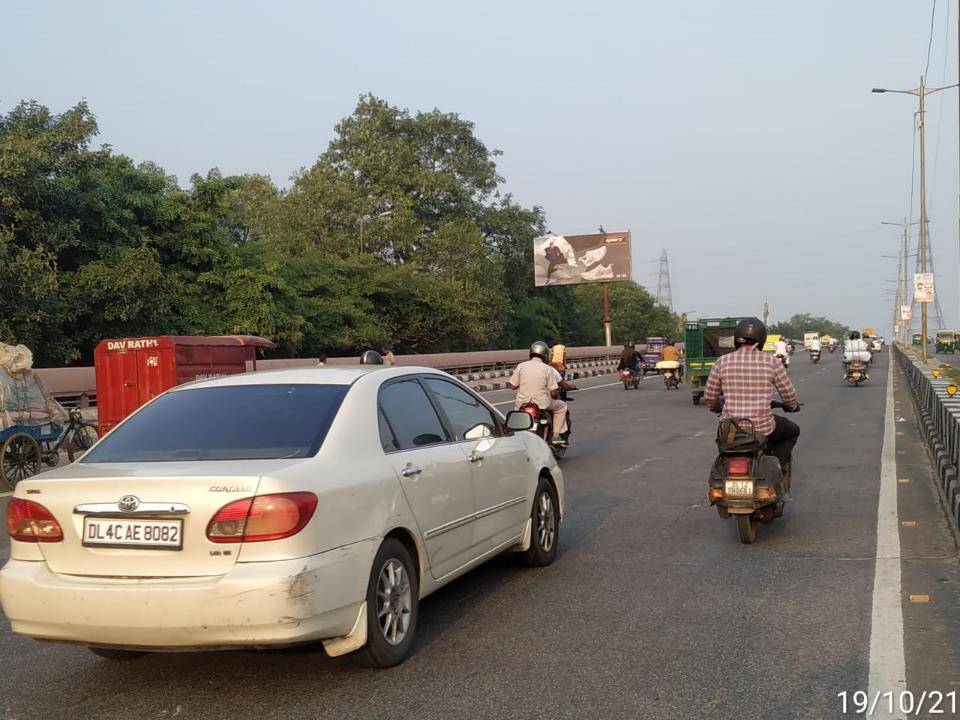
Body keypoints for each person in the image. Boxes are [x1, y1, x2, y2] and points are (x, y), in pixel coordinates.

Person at [705, 317, 800, 471]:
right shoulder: (772, 362)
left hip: (731, 430)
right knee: (793, 431)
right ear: (762, 339)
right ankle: (779, 468)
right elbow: (788, 395)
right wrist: (792, 405)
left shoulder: (722, 361)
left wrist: (715, 406)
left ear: (737, 339)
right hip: (762, 428)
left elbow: (710, 396)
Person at [509, 340, 569, 446]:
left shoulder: (521, 366)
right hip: (542, 404)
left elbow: (513, 386)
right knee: (562, 406)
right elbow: (554, 391)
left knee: (516, 413)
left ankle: (517, 437)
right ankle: (555, 435)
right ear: (545, 355)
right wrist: (554, 396)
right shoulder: (547, 369)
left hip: (522, 403)